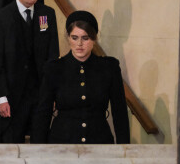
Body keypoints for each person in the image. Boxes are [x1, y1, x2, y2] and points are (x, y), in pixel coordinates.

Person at [31, 11, 130, 144]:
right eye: (74, 37)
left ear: (94, 39)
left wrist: (125, 149)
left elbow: (120, 112)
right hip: (62, 144)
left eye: (85, 38)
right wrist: (37, 151)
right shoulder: (54, 68)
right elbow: (43, 113)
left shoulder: (109, 68)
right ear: (68, 38)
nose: (79, 44)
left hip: (99, 143)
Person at [0, 0, 59, 143]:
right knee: (12, 144)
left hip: (40, 93)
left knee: (40, 142)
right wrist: (1, 97)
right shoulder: (0, 19)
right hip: (12, 95)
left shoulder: (47, 15)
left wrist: (53, 92)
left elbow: (52, 55)